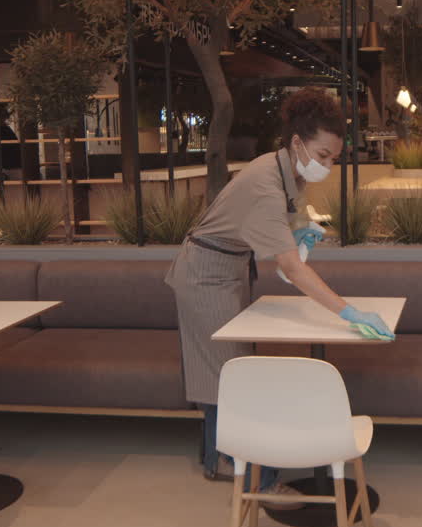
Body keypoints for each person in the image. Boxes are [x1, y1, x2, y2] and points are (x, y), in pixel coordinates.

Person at [166, 88, 394, 503]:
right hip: (205, 276)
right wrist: (349, 311)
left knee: (225, 370)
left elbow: (285, 239)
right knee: (227, 376)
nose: (328, 164)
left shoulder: (288, 172)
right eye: (323, 155)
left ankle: (222, 460)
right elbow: (290, 268)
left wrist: (297, 235)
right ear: (296, 143)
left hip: (229, 270)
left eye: (334, 158)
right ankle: (255, 478)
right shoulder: (265, 183)